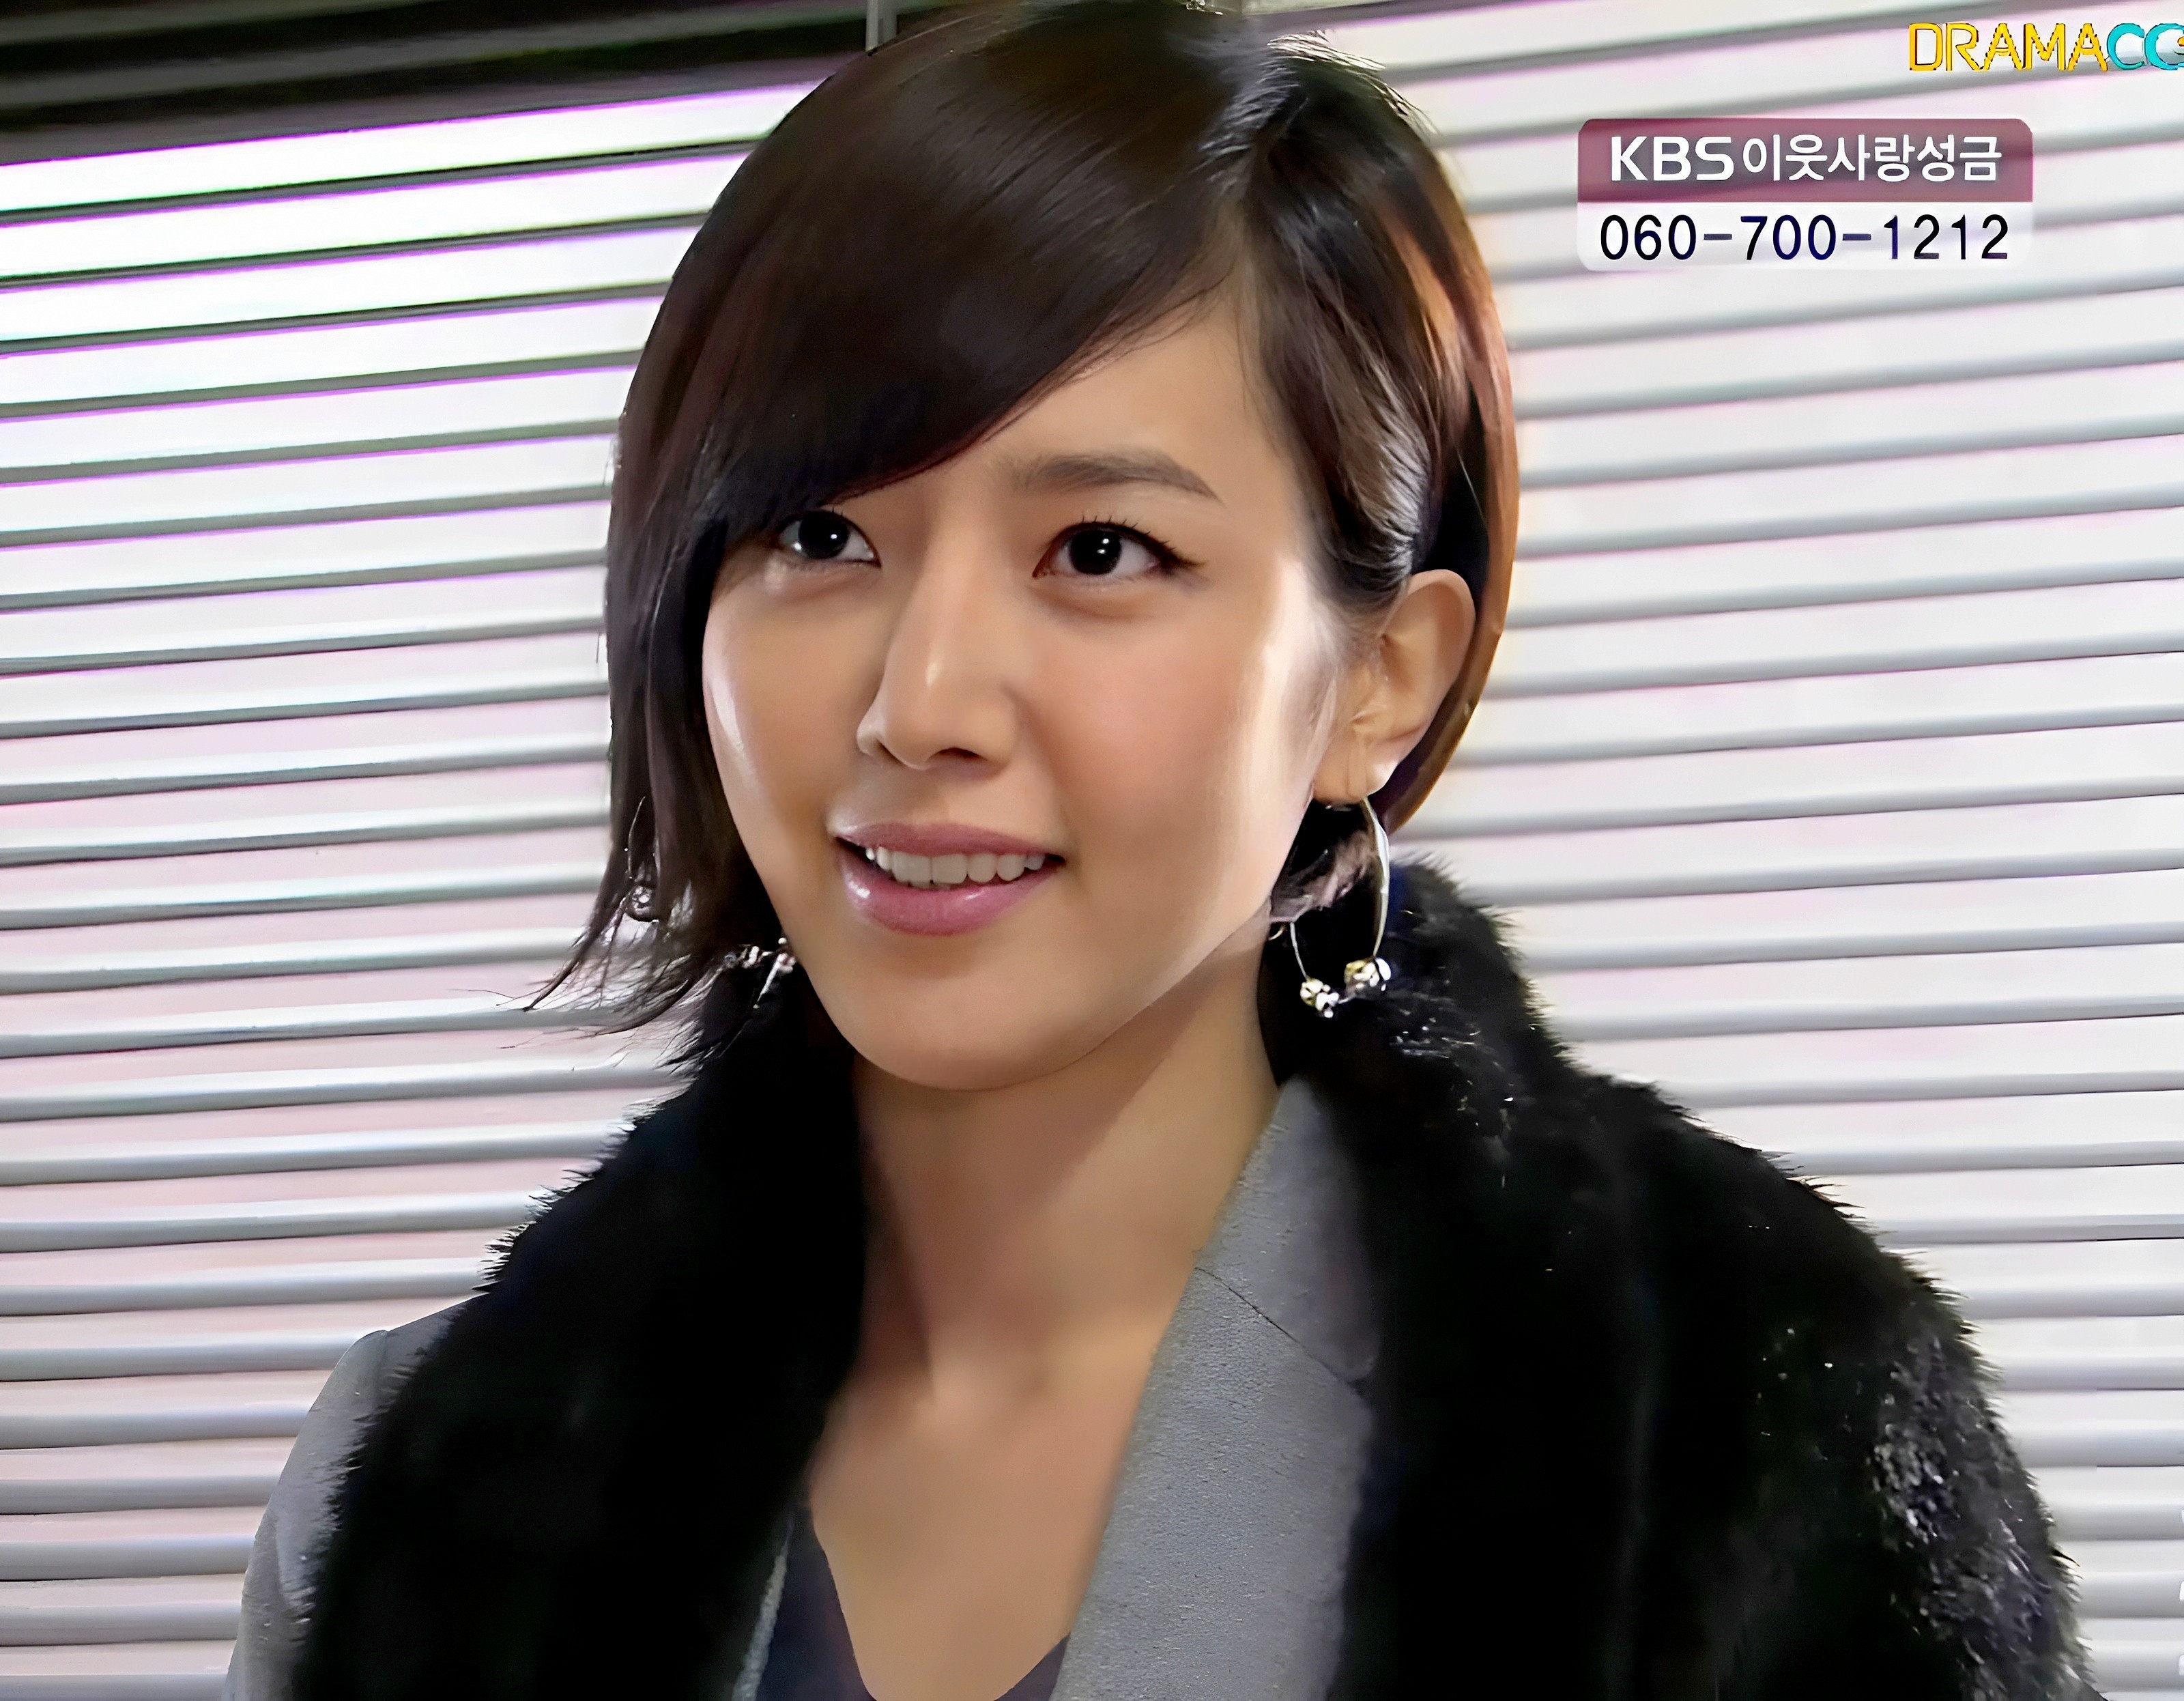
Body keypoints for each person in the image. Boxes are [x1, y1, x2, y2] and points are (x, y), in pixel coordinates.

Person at [226, 2, 2095, 1698]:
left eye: (1101, 551)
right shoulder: (426, 1488)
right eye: (817, 534)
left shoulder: (1741, 1431)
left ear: (1379, 678)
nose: (922, 703)